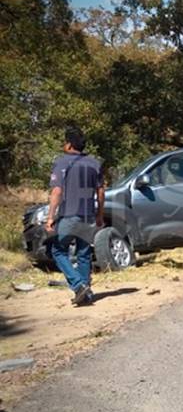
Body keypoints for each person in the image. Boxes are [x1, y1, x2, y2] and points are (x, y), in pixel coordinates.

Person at [45, 127, 105, 306]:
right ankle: (86, 293)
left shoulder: (62, 162)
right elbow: (101, 192)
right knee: (84, 253)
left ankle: (78, 286)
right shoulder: (95, 163)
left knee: (58, 250)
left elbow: (57, 191)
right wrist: (99, 215)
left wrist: (50, 217)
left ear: (69, 145)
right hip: (88, 216)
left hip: (70, 215)